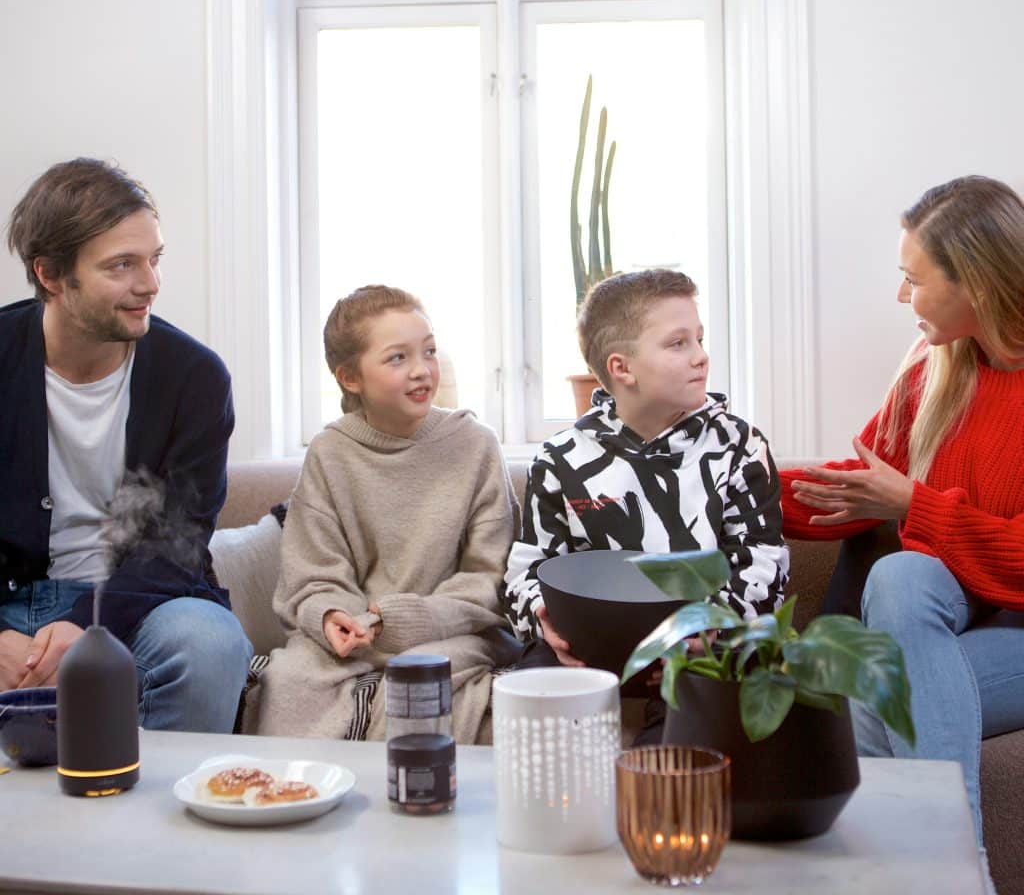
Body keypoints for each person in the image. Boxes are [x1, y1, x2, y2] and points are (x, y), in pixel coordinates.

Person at [781, 175, 1024, 845]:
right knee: (898, 577)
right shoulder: (936, 364)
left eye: (913, 280)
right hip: (949, 617)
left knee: (864, 696)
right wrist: (733, 481)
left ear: (973, 279)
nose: (900, 295)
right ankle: (952, 869)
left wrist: (916, 504)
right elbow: (862, 486)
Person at [0, 158, 251, 732]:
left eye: (154, 259)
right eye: (122, 265)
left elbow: (177, 543)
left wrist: (89, 623)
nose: (150, 284)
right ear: (52, 276)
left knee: (210, 646)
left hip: (142, 599)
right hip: (8, 603)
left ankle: (155, 820)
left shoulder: (196, 377)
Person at [251, 285, 520, 743]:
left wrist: (403, 620)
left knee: (420, 682)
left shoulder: (475, 445)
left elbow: (490, 578)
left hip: (453, 632)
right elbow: (311, 575)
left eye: (429, 351)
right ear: (350, 377)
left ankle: (407, 802)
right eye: (398, 358)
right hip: (354, 637)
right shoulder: (329, 453)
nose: (422, 370)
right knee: (290, 679)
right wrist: (331, 615)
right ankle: (303, 800)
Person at [503, 268, 789, 673]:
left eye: (699, 339)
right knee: (535, 678)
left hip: (701, 647)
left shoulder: (740, 446)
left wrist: (704, 634)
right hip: (588, 645)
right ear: (622, 369)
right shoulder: (560, 458)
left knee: (695, 698)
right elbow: (529, 569)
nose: (700, 355)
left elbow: (763, 564)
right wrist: (542, 620)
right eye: (678, 343)